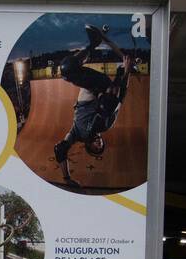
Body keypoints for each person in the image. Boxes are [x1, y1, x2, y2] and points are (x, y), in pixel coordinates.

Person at [53, 24, 134, 187]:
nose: (99, 143)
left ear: (88, 146)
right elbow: (120, 98)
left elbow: (60, 150)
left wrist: (67, 178)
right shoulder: (105, 126)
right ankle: (118, 67)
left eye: (96, 147)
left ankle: (94, 43)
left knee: (67, 70)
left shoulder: (75, 135)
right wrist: (126, 73)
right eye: (101, 145)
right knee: (106, 112)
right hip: (103, 88)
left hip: (94, 88)